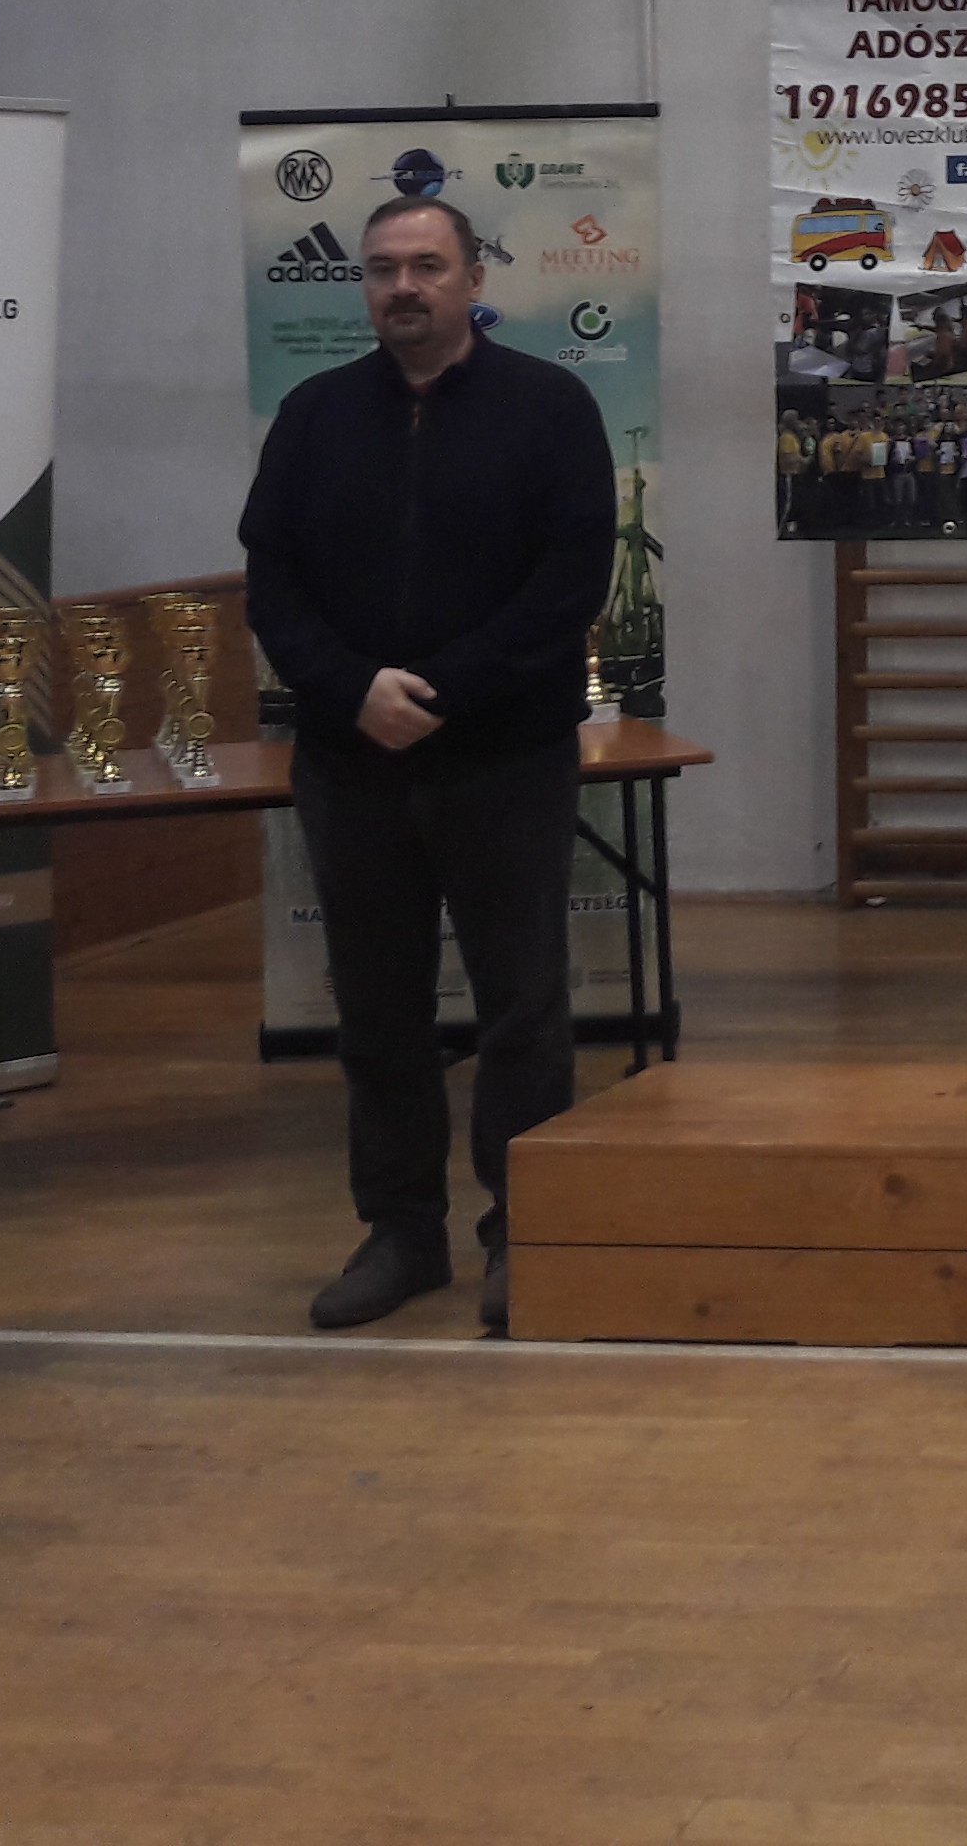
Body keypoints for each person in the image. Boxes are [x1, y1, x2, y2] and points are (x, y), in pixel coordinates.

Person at [241, 192, 618, 1334]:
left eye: (426, 266)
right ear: (364, 285)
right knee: (377, 1016)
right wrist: (351, 689)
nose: (402, 287)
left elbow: (570, 584)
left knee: (522, 1011)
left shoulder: (550, 408)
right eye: (382, 269)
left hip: (503, 759)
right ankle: (402, 1234)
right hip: (350, 761)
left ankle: (523, 1233)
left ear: (472, 279)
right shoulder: (313, 415)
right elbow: (272, 580)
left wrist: (440, 694)